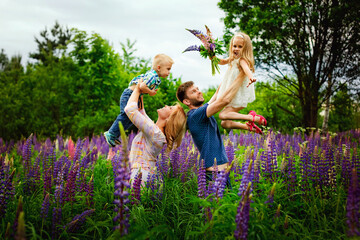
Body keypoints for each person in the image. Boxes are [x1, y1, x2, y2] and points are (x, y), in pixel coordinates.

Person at [176, 79, 245, 187]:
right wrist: (241, 76)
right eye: (193, 92)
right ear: (187, 102)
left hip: (223, 172)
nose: (199, 91)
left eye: (198, 89)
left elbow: (218, 94)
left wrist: (232, 69)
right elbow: (224, 100)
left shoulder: (203, 111)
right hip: (213, 173)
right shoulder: (195, 116)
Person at [104, 54, 174, 147]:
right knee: (126, 115)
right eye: (168, 69)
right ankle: (111, 133)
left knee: (131, 119)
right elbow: (141, 86)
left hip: (134, 96)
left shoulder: (155, 77)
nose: (169, 72)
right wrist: (150, 92)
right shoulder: (152, 76)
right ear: (159, 67)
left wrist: (141, 101)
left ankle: (115, 135)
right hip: (129, 94)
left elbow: (140, 90)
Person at [125, 79, 187, 184]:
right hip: (141, 175)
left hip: (140, 177)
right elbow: (140, 110)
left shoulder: (156, 134)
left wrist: (136, 89)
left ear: (169, 119)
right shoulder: (155, 130)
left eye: (170, 108)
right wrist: (142, 89)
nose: (167, 106)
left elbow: (130, 110)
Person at [213, 32, 266, 134]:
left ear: (245, 49)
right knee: (224, 123)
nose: (236, 49)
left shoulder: (242, 60)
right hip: (232, 95)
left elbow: (247, 69)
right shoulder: (233, 58)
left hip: (238, 96)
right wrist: (213, 57)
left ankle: (252, 118)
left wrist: (251, 77)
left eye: (240, 47)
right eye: (234, 46)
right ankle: (248, 127)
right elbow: (223, 61)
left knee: (222, 115)